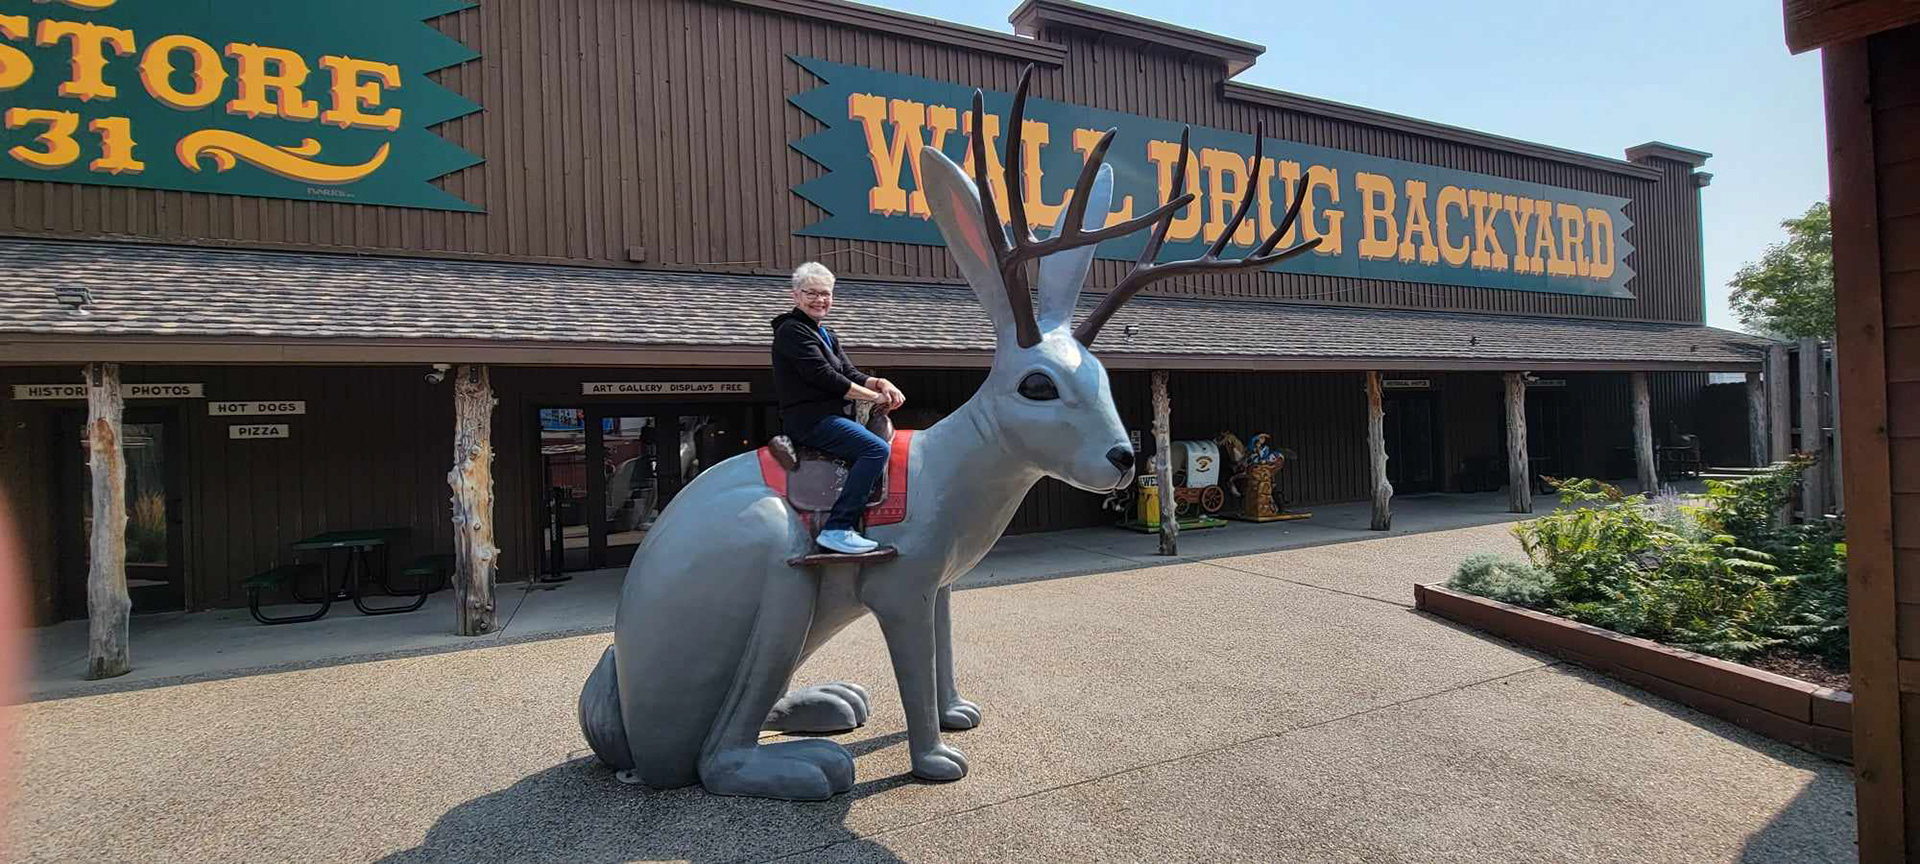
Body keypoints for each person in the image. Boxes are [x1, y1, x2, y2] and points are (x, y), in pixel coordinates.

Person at [771, 262, 906, 554]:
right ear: (795, 295)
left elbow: (849, 372)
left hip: (832, 417)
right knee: (875, 449)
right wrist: (872, 398)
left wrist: (881, 383)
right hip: (811, 420)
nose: (820, 300)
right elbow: (825, 377)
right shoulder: (791, 331)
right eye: (811, 293)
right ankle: (838, 528)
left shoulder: (827, 333)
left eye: (826, 294)